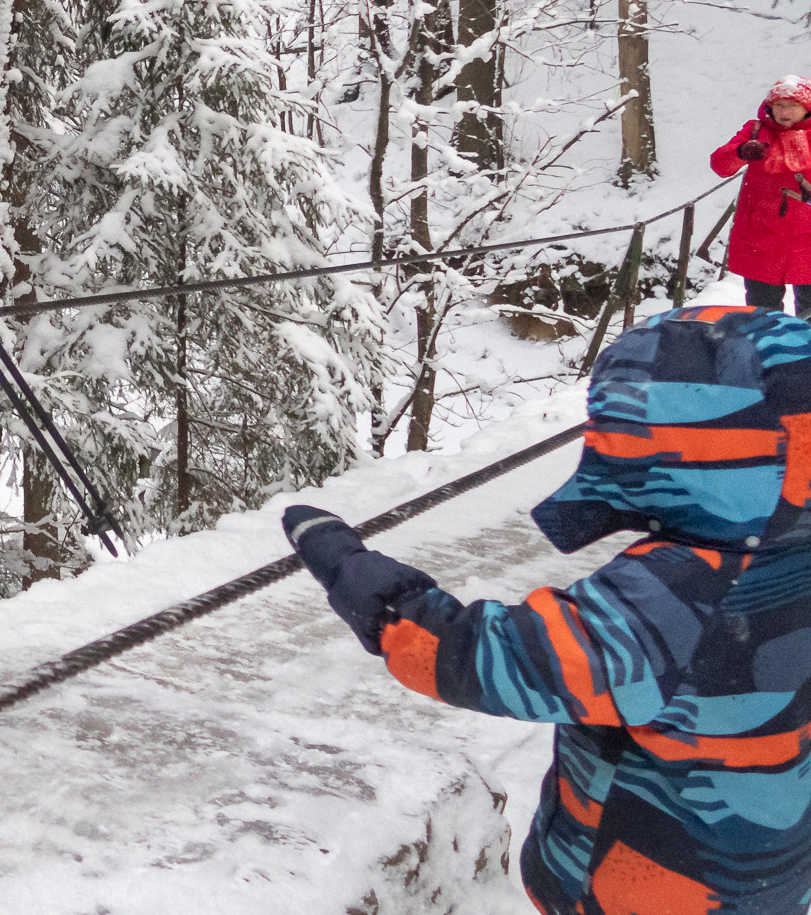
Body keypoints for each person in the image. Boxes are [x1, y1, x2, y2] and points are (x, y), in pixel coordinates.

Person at [284, 304, 811, 915]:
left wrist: (362, 580)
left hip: (650, 884)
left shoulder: (681, 595)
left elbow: (494, 660)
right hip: (770, 872)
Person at [711, 75, 811, 316]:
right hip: (761, 239)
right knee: (762, 317)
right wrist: (741, 152)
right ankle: (767, 351)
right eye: (779, 105)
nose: (784, 112)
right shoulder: (755, 130)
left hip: (806, 240)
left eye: (792, 106)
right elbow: (720, 165)